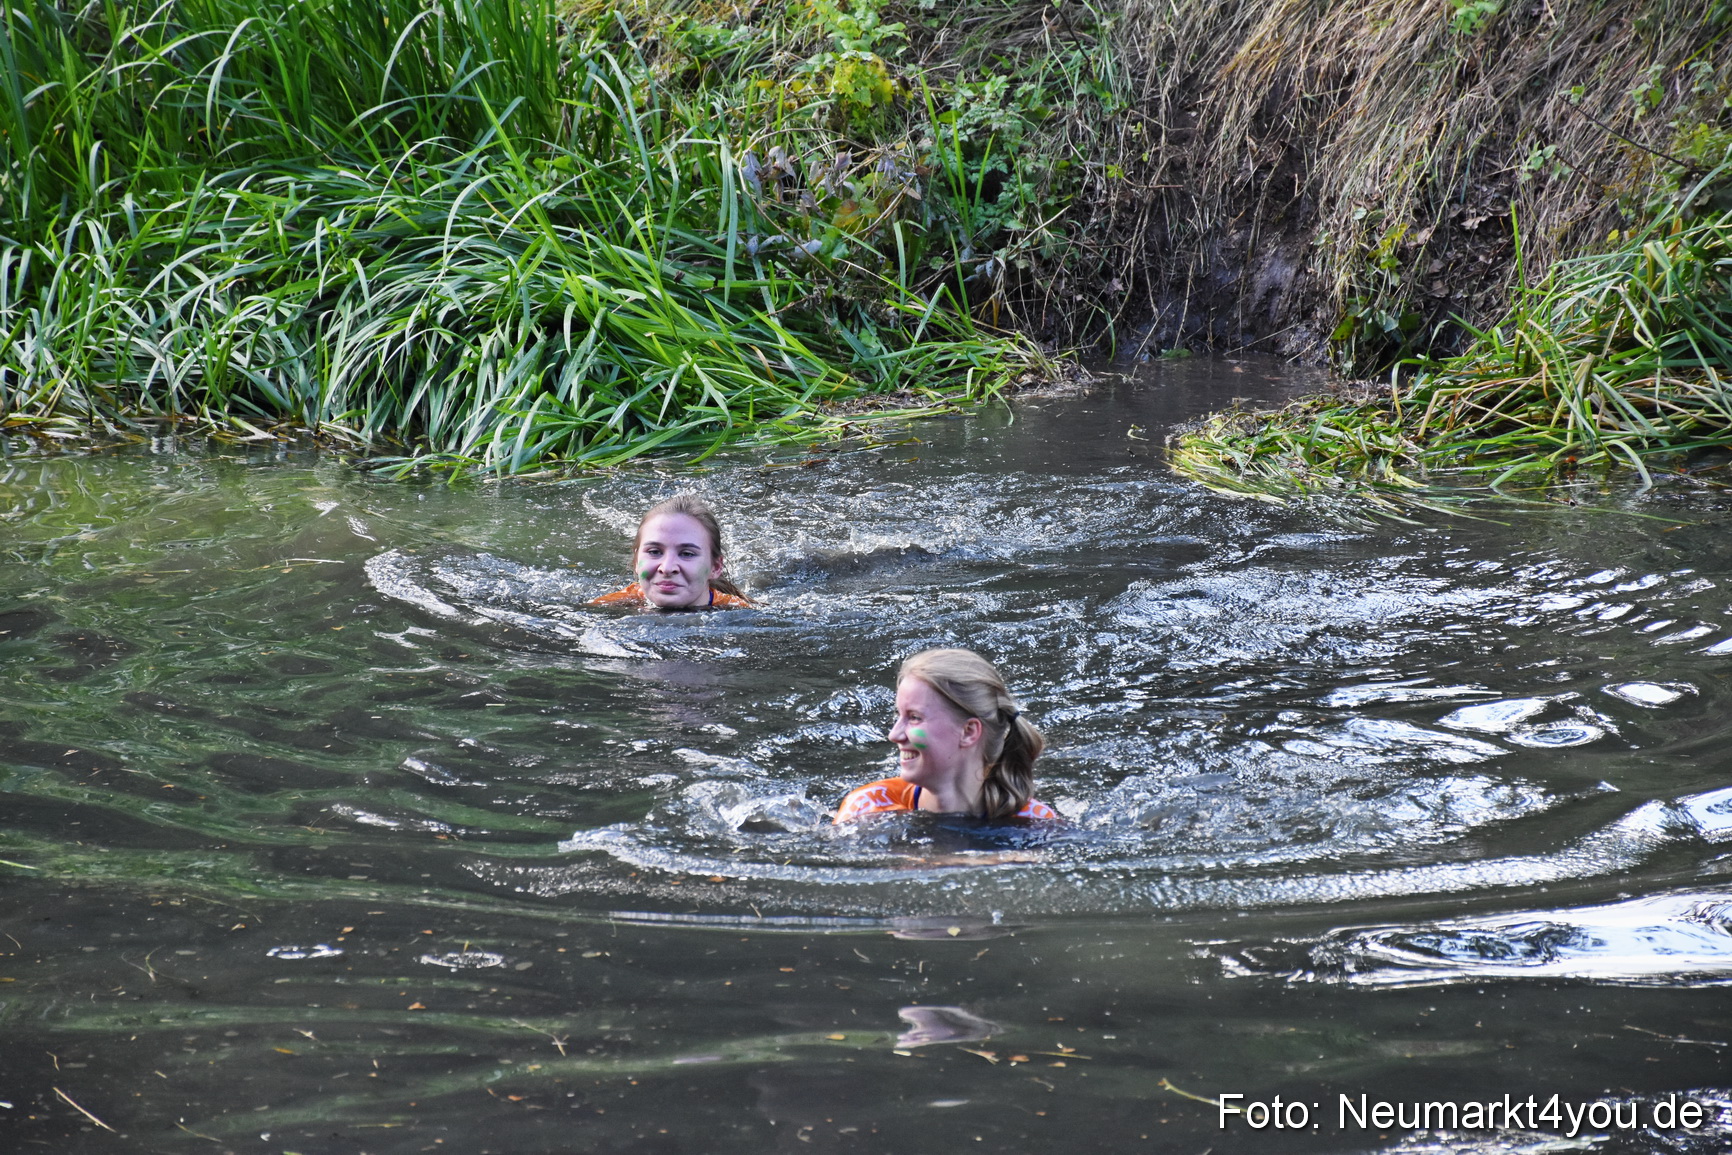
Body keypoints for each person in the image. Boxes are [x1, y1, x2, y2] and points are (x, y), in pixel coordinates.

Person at [836, 648, 1056, 822]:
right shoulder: (867, 809)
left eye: (914, 717)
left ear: (968, 732)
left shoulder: (1034, 822)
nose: (894, 735)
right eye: (898, 715)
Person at [590, 494, 751, 611]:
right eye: (654, 552)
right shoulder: (607, 605)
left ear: (715, 567)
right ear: (636, 561)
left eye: (687, 554)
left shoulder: (739, 612)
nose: (667, 568)